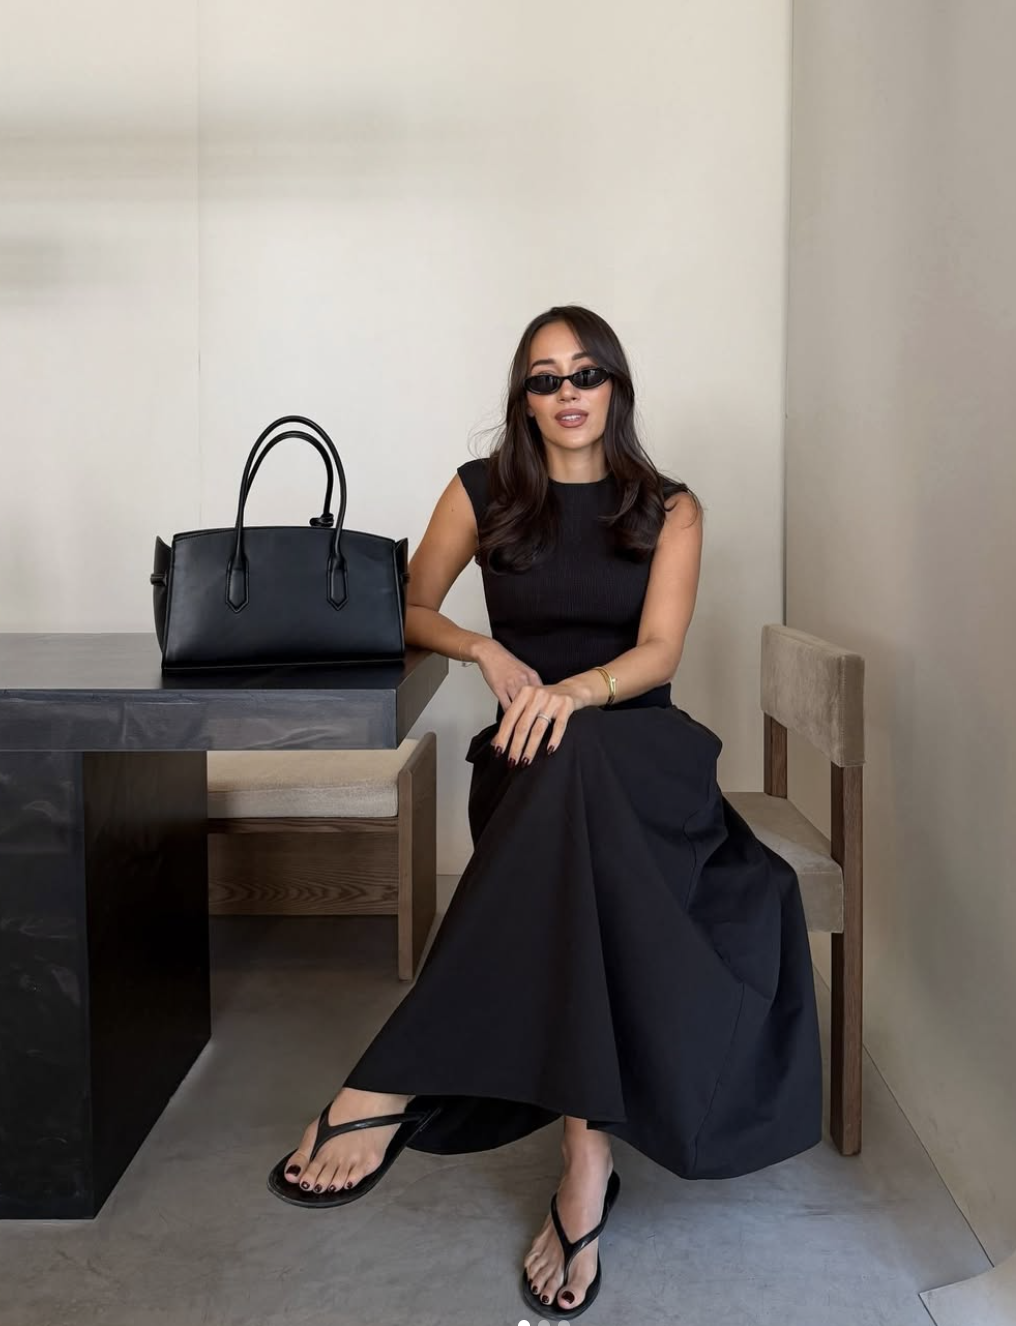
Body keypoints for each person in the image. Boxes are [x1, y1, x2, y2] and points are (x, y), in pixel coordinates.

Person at [267, 304, 824, 1320]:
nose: (566, 394)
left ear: (614, 387)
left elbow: (659, 653)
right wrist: (483, 651)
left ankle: (392, 1083)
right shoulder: (483, 492)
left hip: (642, 757)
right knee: (569, 818)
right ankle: (584, 1160)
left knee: (580, 775)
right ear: (521, 400)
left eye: (584, 374)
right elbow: (407, 604)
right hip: (526, 766)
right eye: (543, 378)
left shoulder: (669, 506)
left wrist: (570, 694)